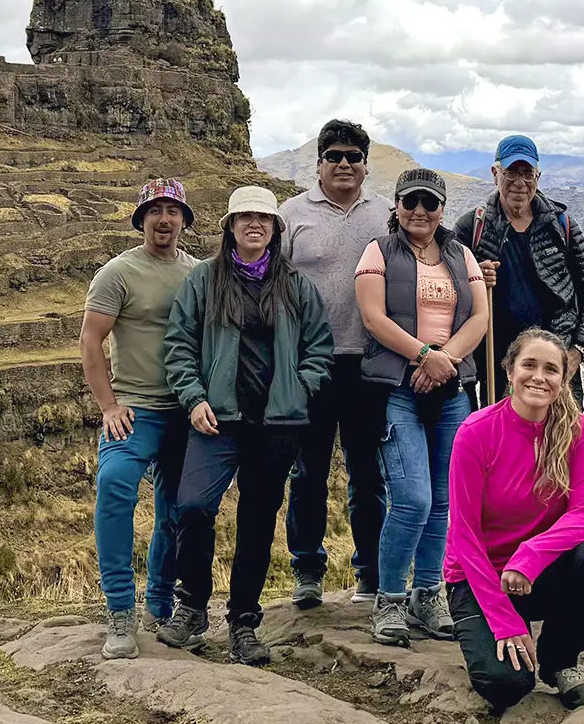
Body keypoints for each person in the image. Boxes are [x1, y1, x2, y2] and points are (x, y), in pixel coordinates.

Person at [156, 185, 335, 666]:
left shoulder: (295, 286)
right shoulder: (204, 281)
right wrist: (193, 399)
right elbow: (179, 345)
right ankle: (192, 606)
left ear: (276, 229)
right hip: (217, 420)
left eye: (263, 219)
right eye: (244, 218)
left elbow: (320, 347)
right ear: (230, 227)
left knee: (256, 522)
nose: (253, 225)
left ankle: (244, 623)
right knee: (192, 507)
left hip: (276, 425)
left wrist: (301, 387)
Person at [446, 328, 584, 713]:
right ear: (510, 372)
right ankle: (486, 636)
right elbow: (465, 537)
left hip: (534, 574)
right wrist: (504, 620)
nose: (539, 377)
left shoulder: (577, 432)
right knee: (506, 685)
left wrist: (529, 556)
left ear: (563, 380)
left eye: (551, 369)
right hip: (478, 579)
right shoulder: (475, 433)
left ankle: (560, 662)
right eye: (529, 365)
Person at [356, 169, 491, 646]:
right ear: (396, 205)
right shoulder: (379, 252)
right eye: (409, 201)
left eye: (429, 204)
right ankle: (390, 599)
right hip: (397, 386)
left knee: (443, 499)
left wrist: (446, 361)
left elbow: (479, 315)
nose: (419, 211)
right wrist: (422, 356)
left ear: (441, 210)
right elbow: (373, 317)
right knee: (412, 498)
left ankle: (426, 593)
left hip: (450, 389)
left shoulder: (460, 254)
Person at [80, 179, 202, 660]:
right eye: (155, 211)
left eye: (174, 211)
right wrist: (109, 406)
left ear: (184, 221)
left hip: (186, 412)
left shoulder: (198, 273)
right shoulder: (118, 272)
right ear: (141, 219)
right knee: (113, 486)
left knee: (177, 510)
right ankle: (119, 611)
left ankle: (159, 605)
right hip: (136, 410)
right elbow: (91, 341)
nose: (165, 219)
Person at [278, 119, 394, 609]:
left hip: (369, 364)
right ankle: (307, 569)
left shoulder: (387, 214)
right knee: (308, 472)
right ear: (319, 163)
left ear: (365, 164)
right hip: (312, 365)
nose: (344, 164)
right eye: (334, 156)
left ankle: (370, 571)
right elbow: (269, 279)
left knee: (370, 473)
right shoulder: (289, 214)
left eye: (353, 156)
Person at [454, 135, 584, 404]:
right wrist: (473, 277)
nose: (520, 183)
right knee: (501, 444)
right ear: (495, 173)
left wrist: (578, 350)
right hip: (497, 363)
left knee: (559, 440)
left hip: (555, 362)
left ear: (538, 176)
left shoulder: (561, 226)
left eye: (528, 174)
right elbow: (450, 292)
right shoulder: (471, 227)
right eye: (511, 173)